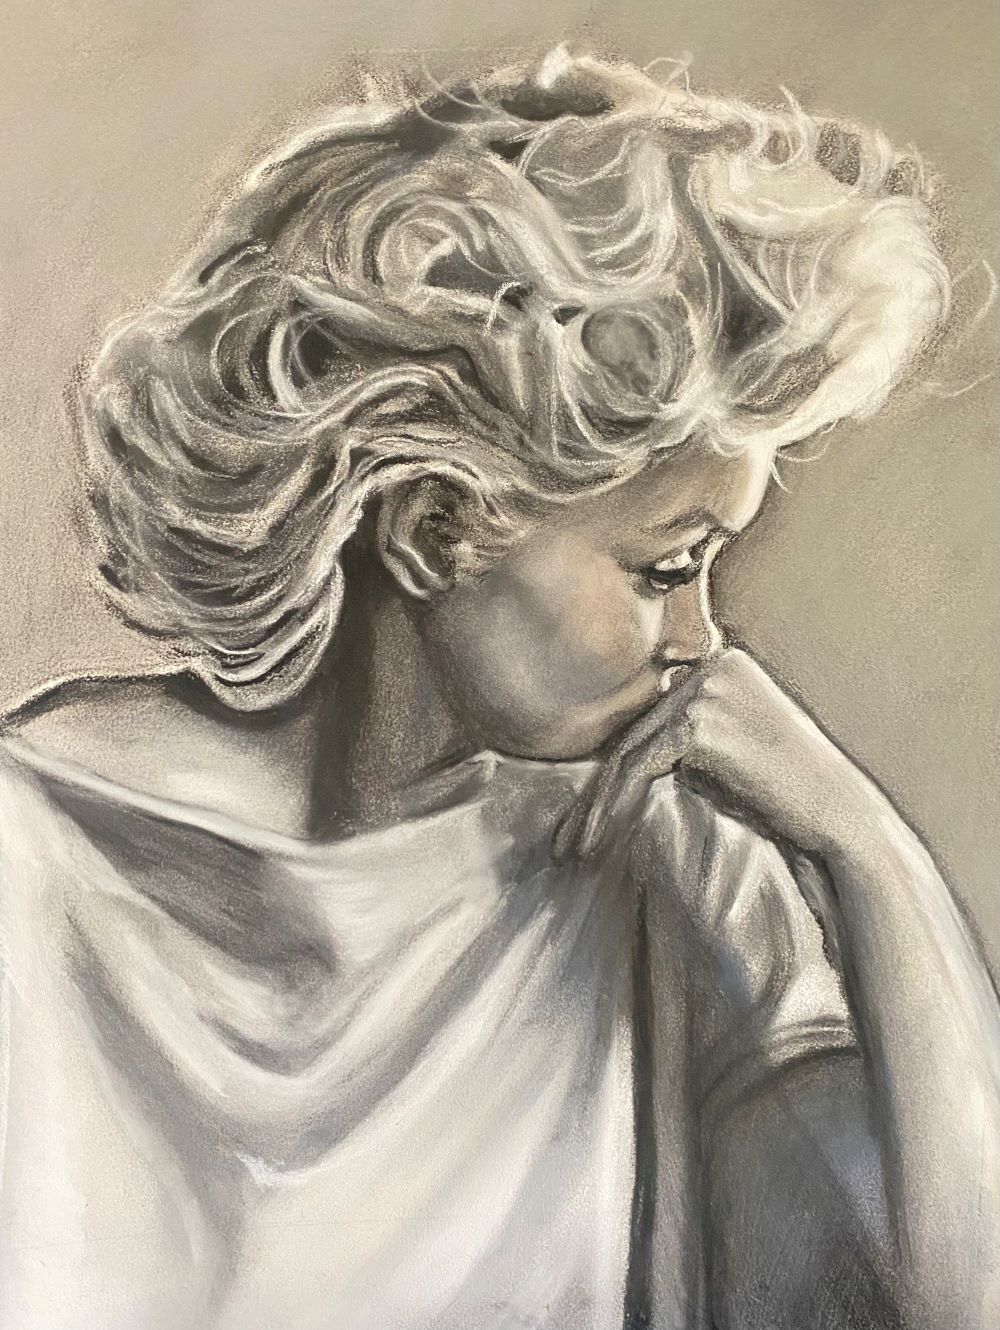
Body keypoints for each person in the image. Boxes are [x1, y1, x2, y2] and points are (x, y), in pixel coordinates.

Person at [0, 46, 997, 1330]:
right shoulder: (31, 850)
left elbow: (957, 1303)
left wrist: (870, 853)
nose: (704, 641)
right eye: (665, 568)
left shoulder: (673, 868)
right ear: (432, 530)